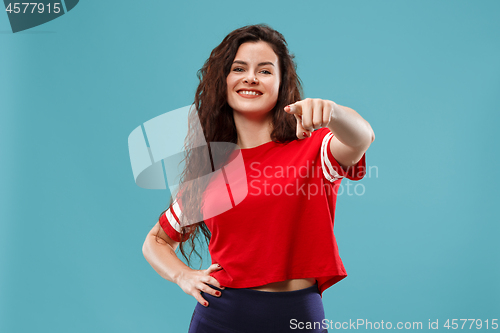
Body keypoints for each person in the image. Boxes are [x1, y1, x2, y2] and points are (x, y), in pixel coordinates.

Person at [142, 23, 375, 333]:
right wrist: (183, 275)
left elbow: (361, 138)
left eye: (265, 71)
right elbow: (155, 241)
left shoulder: (315, 147)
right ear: (223, 82)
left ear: (282, 84)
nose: (251, 77)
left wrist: (333, 112)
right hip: (220, 316)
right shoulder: (209, 173)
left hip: (297, 315)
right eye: (239, 68)